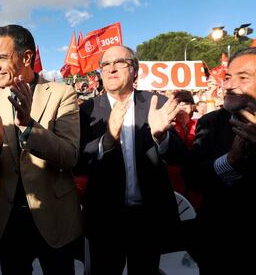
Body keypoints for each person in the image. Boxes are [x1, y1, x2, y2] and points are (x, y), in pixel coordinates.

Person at [0, 24, 82, 274]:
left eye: (1, 57)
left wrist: (28, 126)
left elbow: (69, 156)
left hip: (55, 219)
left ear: (27, 57)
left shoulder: (62, 94)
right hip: (7, 221)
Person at [183, 46, 256, 274]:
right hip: (219, 251)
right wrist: (229, 161)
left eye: (243, 78)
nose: (229, 85)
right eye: (228, 77)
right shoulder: (209, 123)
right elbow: (193, 178)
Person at [79, 45, 186, 274]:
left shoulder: (155, 103)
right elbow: (78, 160)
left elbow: (180, 155)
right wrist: (107, 140)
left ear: (135, 71)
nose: (112, 68)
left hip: (148, 219)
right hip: (105, 219)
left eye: (120, 62)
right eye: (105, 64)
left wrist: (162, 136)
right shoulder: (86, 110)